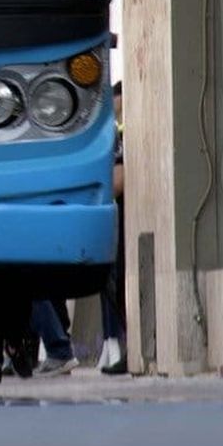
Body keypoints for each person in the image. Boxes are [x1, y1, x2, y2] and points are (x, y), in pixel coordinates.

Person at [99, 82, 129, 375]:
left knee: (119, 282)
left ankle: (130, 349)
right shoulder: (116, 127)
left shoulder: (120, 128)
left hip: (127, 215)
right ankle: (128, 348)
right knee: (115, 284)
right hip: (123, 214)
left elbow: (118, 179)